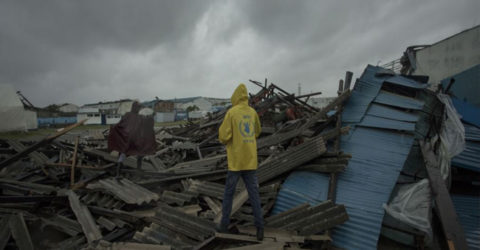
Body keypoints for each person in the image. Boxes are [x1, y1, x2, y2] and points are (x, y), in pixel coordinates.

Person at [217, 83, 264, 241]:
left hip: (236, 162)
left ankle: (224, 225)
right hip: (250, 161)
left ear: (236, 96)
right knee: (254, 195)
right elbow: (257, 131)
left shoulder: (232, 113)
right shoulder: (252, 112)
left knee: (229, 194)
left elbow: (223, 137)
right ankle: (260, 229)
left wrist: (234, 138)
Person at [107, 101, 156, 178]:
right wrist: (152, 115)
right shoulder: (138, 116)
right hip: (135, 140)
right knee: (139, 154)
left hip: (129, 140)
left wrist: (114, 128)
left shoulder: (129, 115)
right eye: (138, 107)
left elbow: (120, 125)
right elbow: (147, 124)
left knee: (124, 154)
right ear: (136, 108)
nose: (139, 108)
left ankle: (119, 174)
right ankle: (136, 171)